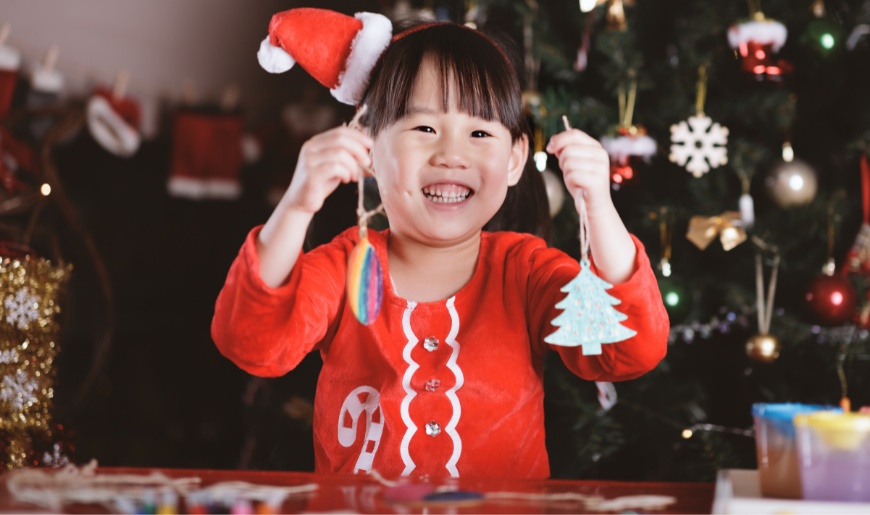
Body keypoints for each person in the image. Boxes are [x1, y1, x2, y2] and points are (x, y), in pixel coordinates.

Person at [212, 9, 668, 479]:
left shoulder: (527, 272)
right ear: (366, 145)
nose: (451, 155)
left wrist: (599, 206)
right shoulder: (344, 268)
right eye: (424, 128)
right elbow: (252, 342)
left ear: (514, 160)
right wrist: (297, 203)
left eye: (479, 133)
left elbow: (628, 350)